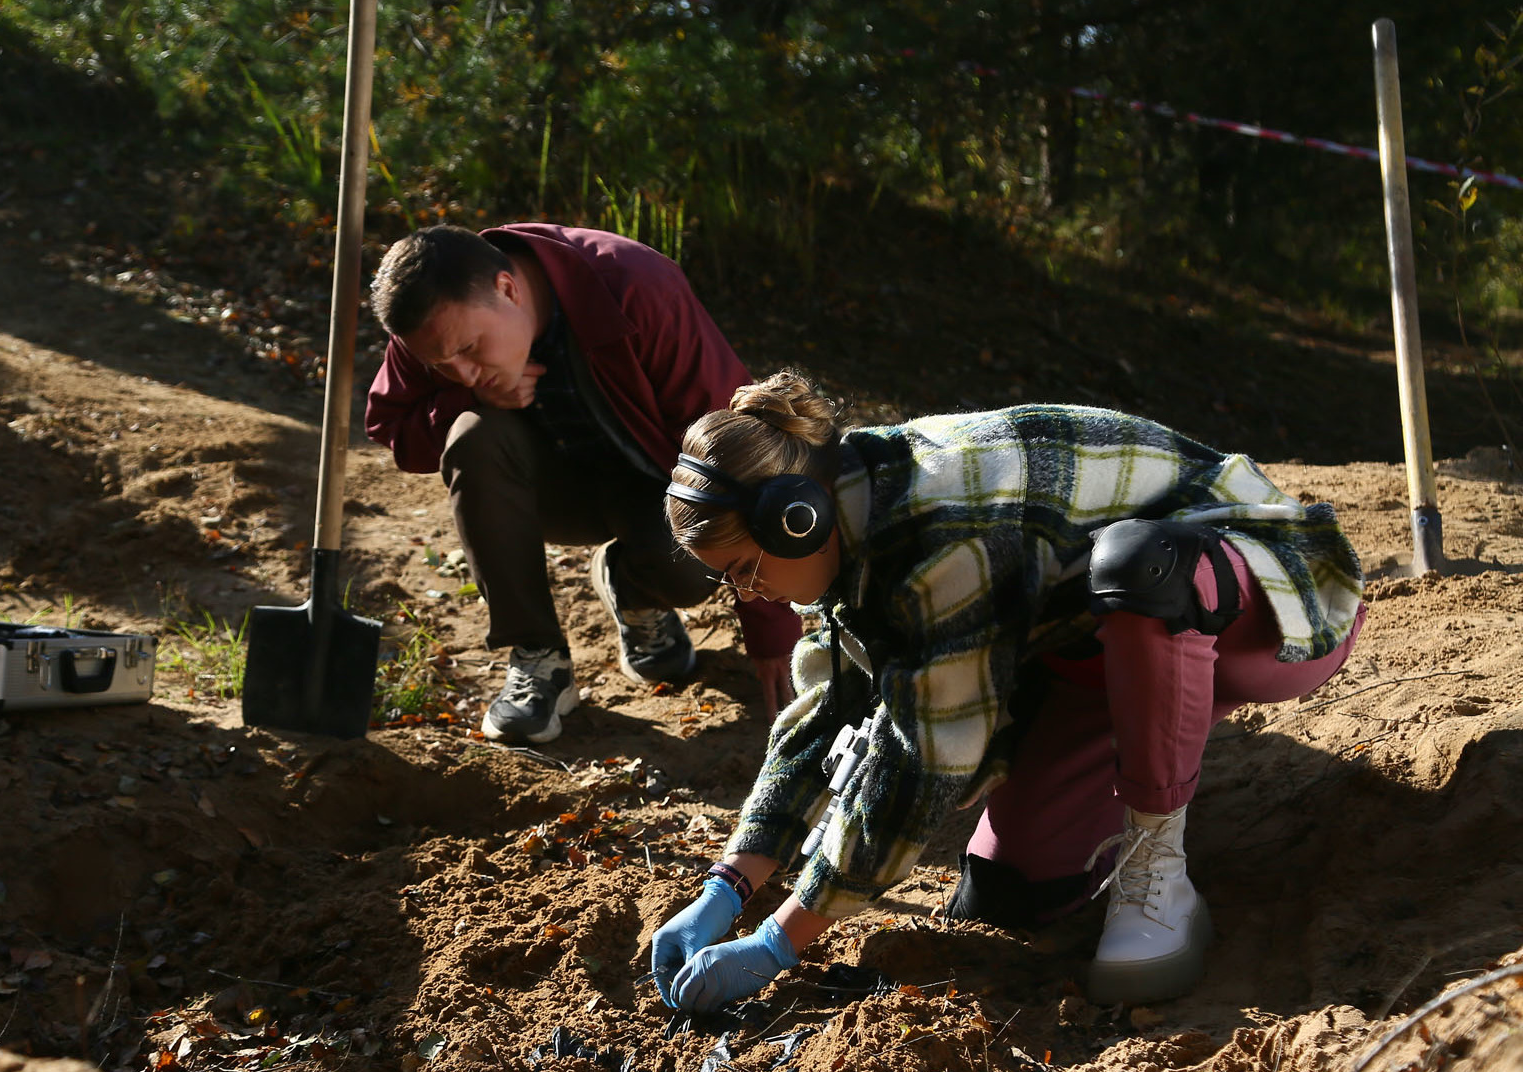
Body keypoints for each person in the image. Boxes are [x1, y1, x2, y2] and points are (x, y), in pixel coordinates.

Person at [649, 372, 1364, 1010]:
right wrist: (727, 886)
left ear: (794, 516)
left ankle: (1159, 867)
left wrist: (780, 941)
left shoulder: (941, 530)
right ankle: (1138, 774)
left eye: (743, 569)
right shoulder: (837, 520)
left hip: (1259, 598)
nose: (746, 592)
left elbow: (923, 762)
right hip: (1093, 648)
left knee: (1140, 565)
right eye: (727, 578)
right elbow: (823, 710)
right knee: (1009, 892)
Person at [364, 224, 802, 745]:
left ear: (508, 288)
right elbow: (392, 429)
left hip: (651, 490)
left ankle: (635, 589)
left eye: (470, 349)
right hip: (541, 492)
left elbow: (739, 446)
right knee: (470, 436)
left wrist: (771, 629)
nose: (461, 372)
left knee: (687, 569)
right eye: (442, 364)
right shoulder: (432, 318)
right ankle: (537, 658)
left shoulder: (635, 285)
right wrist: (466, 403)